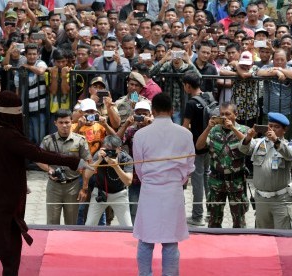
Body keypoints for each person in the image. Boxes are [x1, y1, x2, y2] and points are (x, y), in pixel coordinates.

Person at [0, 91, 91, 275]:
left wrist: (18, 184)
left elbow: (3, 167)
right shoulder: (7, 135)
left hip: (2, 203)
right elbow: (37, 153)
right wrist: (74, 161)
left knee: (12, 252)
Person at [133, 93, 195, 275]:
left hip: (151, 188)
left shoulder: (141, 134)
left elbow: (139, 167)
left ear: (153, 111)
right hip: (172, 189)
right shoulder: (185, 134)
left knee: (146, 240)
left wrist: (152, 180)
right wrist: (176, 180)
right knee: (169, 241)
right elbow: (189, 167)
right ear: (172, 110)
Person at [239, 112, 292, 229]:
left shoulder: (289, 144)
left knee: (282, 236)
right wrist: (248, 137)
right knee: (262, 237)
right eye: (270, 126)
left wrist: (276, 141)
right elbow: (243, 149)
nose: (273, 129)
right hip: (261, 199)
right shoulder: (258, 143)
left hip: (281, 199)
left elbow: (290, 154)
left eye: (277, 127)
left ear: (284, 130)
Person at [195, 102, 249, 228]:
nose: (224, 117)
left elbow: (247, 146)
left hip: (236, 182)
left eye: (228, 114)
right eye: (222, 114)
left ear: (235, 115)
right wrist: (208, 127)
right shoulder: (214, 131)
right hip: (216, 182)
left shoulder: (243, 130)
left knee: (239, 222)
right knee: (214, 221)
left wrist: (233, 129)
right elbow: (199, 146)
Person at [37, 109, 91, 225]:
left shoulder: (80, 140)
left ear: (72, 121)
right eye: (61, 122)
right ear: (55, 123)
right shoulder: (48, 140)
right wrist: (49, 169)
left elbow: (87, 164)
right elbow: (38, 159)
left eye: (67, 122)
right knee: (52, 223)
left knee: (71, 223)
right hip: (53, 187)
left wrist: (84, 188)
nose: (64, 125)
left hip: (73, 186)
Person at [83, 135, 134, 227]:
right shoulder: (99, 155)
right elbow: (86, 175)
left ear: (119, 149)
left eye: (112, 150)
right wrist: (98, 161)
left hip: (120, 194)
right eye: (107, 150)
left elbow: (128, 182)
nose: (109, 153)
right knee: (89, 225)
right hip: (100, 192)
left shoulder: (126, 158)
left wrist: (116, 166)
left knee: (127, 226)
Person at [182, 71, 211, 226]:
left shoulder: (191, 103)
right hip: (210, 144)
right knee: (207, 178)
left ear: (187, 86)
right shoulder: (209, 97)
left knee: (198, 182)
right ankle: (211, 212)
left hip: (197, 147)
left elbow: (185, 128)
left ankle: (197, 216)